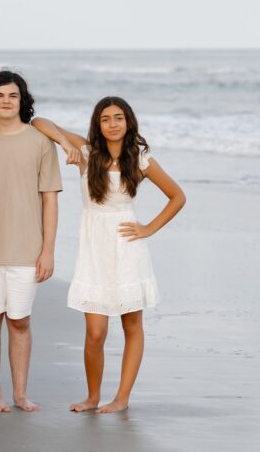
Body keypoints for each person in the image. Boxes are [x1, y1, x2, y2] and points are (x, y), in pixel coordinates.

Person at [32, 96, 185, 413]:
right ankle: (92, 396)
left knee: (132, 326)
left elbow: (177, 196)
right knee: (95, 332)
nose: (112, 124)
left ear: (128, 121)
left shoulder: (140, 159)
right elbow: (39, 122)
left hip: (128, 249)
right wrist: (64, 143)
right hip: (94, 251)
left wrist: (149, 228)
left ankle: (122, 398)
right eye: (105, 118)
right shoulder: (87, 153)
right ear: (97, 124)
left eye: (118, 117)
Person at [0, 70, 61, 413]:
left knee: (19, 321)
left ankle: (20, 394)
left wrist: (47, 250)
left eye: (13, 95)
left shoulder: (39, 142)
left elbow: (50, 200)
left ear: (23, 100)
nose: (6, 101)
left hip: (27, 250)